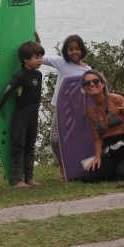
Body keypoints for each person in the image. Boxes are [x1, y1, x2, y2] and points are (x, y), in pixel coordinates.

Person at [0, 41, 44, 188]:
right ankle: (17, 179)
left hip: (33, 116)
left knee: (30, 146)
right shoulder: (20, 76)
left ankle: (29, 177)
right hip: (21, 116)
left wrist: (37, 40)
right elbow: (7, 92)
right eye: (36, 57)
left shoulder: (39, 75)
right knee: (18, 146)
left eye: (41, 56)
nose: (40, 60)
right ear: (26, 59)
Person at [40, 34, 91, 178]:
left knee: (76, 140)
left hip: (79, 111)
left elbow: (92, 89)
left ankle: (76, 167)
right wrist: (36, 43)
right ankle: (63, 165)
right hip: (61, 109)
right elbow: (40, 58)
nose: (74, 52)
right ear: (66, 51)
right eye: (70, 49)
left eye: (77, 48)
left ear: (82, 49)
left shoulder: (87, 70)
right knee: (56, 140)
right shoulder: (61, 63)